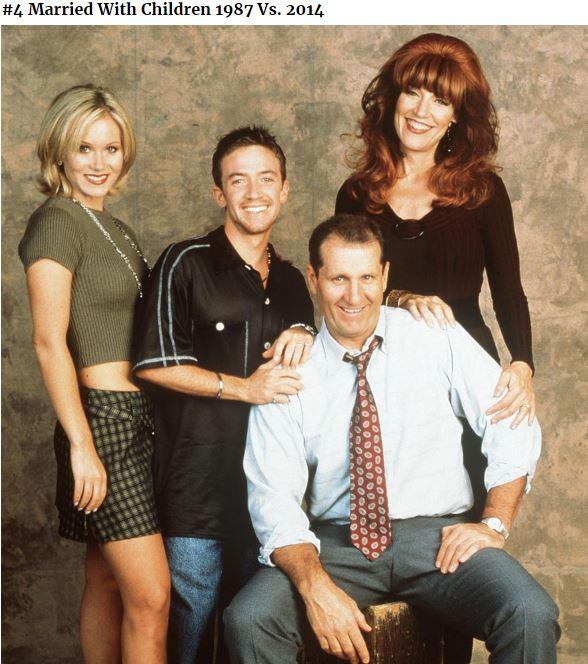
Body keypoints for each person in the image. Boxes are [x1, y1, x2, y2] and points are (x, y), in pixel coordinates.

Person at [225, 214, 559, 664]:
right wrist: (315, 586)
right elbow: (273, 497)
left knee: (529, 612)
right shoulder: (289, 373)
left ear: (385, 277)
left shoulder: (433, 335)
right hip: (336, 545)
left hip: (437, 539)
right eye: (338, 279)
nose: (354, 295)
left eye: (366, 277)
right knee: (250, 619)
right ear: (313, 279)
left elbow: (511, 418)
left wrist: (494, 523)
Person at [133, 125, 316, 663]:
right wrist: (246, 389)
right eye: (238, 180)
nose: (254, 192)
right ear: (219, 193)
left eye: (266, 179)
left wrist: (305, 330)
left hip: (267, 494)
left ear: (284, 189)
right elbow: (155, 364)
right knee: (186, 631)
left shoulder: (291, 281)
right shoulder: (184, 262)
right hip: (194, 489)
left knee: (248, 633)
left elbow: (320, 349)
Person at [335, 33, 536, 519]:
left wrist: (523, 364)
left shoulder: (483, 192)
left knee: (472, 511)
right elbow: (344, 291)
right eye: (413, 92)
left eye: (441, 100)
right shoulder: (357, 195)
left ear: (456, 117)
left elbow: (509, 290)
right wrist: (400, 297)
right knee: (392, 510)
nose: (421, 110)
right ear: (393, 99)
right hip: (385, 372)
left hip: (466, 365)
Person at [18, 84, 170, 663]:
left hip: (140, 418)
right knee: (152, 598)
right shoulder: (57, 221)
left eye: (111, 148)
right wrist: (82, 445)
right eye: (84, 148)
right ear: (60, 152)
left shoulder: (117, 229)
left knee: (106, 579)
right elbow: (48, 341)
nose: (98, 163)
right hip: (102, 421)